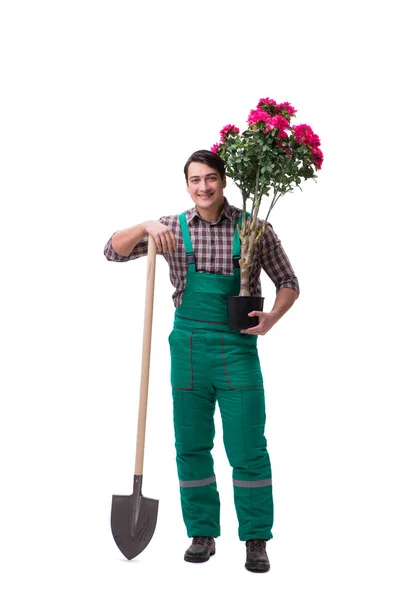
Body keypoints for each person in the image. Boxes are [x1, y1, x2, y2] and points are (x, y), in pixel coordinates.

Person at [104, 149, 299, 573]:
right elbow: (112, 251)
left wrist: (271, 318)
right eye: (195, 180)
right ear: (187, 185)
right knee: (191, 444)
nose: (204, 187)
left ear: (223, 181)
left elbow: (288, 281)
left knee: (248, 446)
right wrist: (144, 226)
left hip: (237, 349)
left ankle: (256, 539)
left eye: (211, 178)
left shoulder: (254, 230)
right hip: (188, 349)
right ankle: (202, 533)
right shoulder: (170, 229)